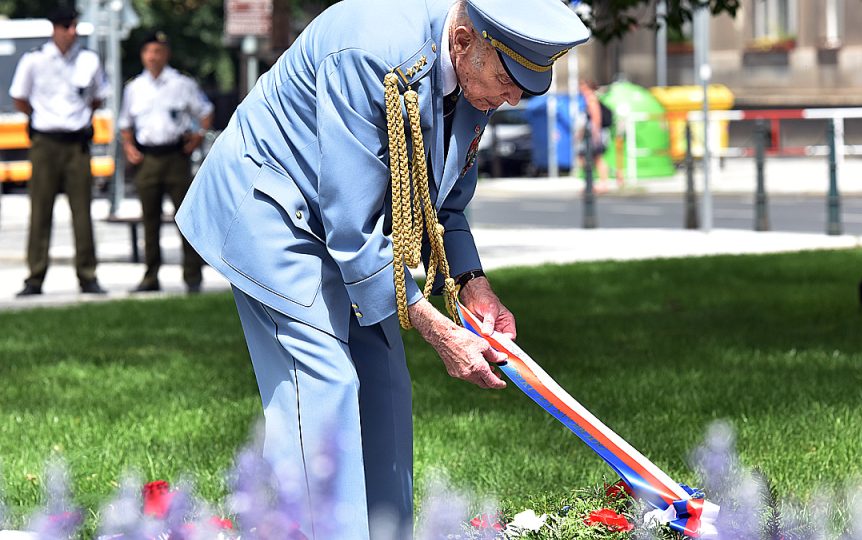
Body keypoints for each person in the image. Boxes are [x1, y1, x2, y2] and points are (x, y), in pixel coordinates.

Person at [175, 0, 589, 537]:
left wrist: (472, 283)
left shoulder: (475, 75)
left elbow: (444, 203)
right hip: (271, 212)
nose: (512, 99)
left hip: (340, 224)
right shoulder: (368, 51)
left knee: (386, 387)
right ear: (463, 41)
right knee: (323, 383)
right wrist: (431, 323)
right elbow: (352, 222)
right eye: (510, 81)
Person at [10, 6, 110, 297]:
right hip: (45, 142)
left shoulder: (88, 60)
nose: (72, 31)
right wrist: (40, 117)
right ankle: (35, 277)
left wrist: (77, 118)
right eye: (66, 26)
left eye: (74, 25)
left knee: (82, 212)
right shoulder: (35, 60)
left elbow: (98, 98)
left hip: (77, 144)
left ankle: (87, 274)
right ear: (54, 28)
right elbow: (20, 98)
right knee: (40, 211)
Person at [119, 31, 213, 294]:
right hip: (147, 157)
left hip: (175, 157)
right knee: (150, 219)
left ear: (166, 54)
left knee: (184, 217)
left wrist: (197, 138)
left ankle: (192, 275)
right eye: (149, 51)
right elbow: (125, 123)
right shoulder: (134, 87)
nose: (154, 56)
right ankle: (151, 275)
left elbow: (205, 112)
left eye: (158, 51)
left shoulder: (181, 83)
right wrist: (128, 146)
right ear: (143, 55)